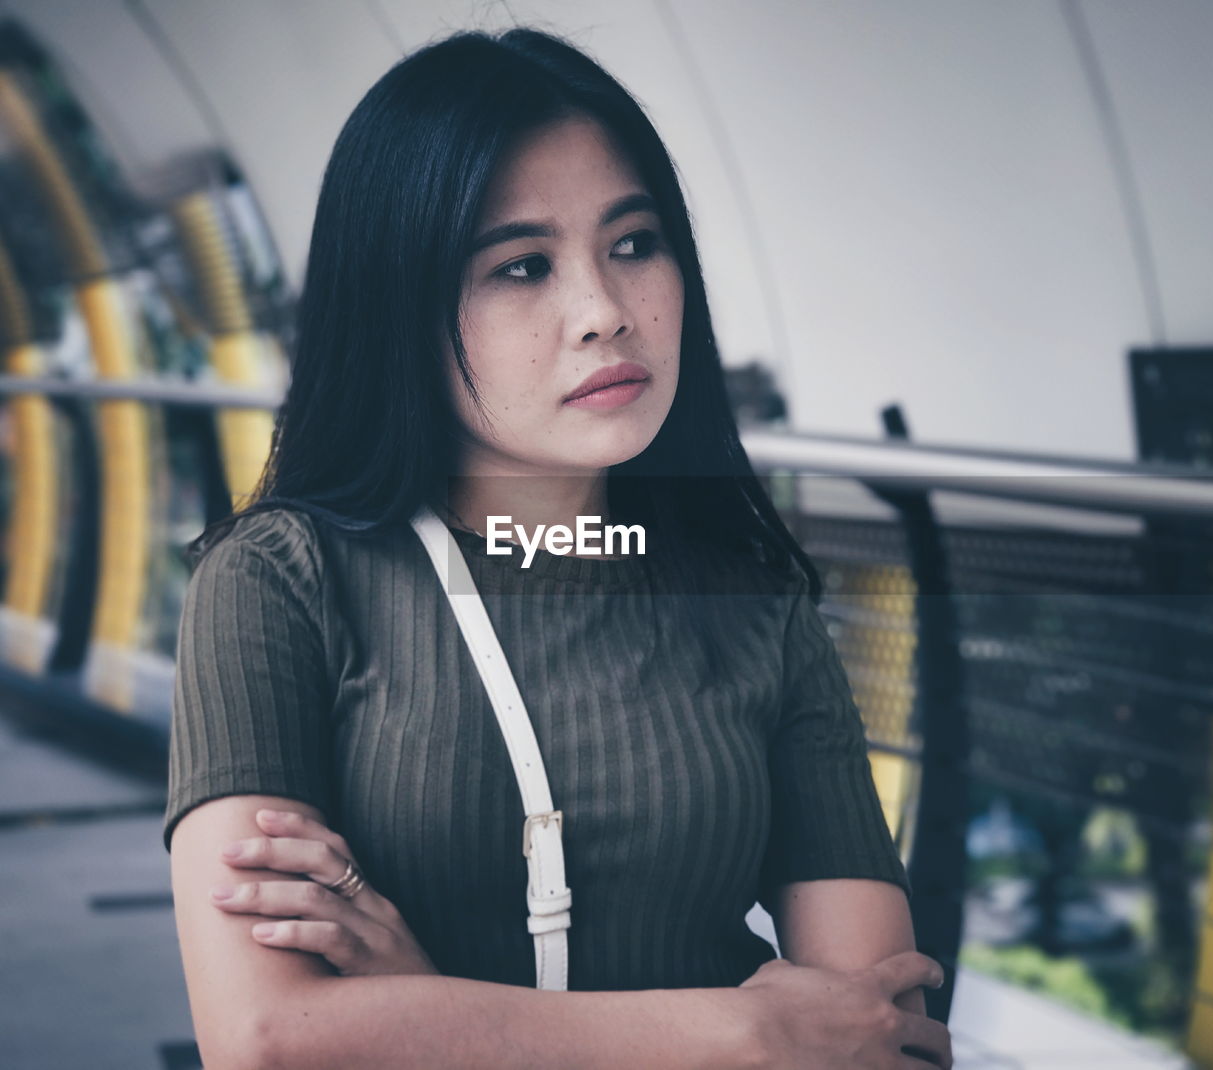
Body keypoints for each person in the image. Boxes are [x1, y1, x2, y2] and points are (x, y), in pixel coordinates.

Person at [164, 26, 952, 1070]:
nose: (604, 312)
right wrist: (743, 1030)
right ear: (398, 306)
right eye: (521, 265)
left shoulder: (751, 597)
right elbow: (266, 1038)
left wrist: (418, 1006)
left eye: (634, 244)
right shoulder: (278, 582)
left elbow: (877, 1038)